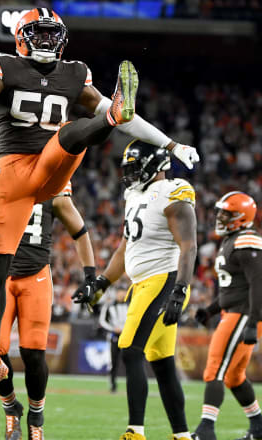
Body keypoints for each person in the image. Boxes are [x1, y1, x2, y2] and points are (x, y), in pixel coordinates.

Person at [0, 7, 200, 405]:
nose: (48, 41)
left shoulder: (73, 73)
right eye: (39, 33)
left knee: (74, 131)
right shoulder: (4, 64)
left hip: (51, 164)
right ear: (20, 36)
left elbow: (126, 118)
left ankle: (103, 119)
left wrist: (171, 145)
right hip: (13, 172)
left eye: (53, 34)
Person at [73, 140, 197, 440]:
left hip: (164, 280)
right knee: (163, 363)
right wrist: (101, 283)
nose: (128, 174)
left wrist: (180, 289)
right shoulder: (134, 194)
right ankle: (181, 435)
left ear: (154, 166)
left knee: (129, 350)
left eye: (134, 167)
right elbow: (126, 247)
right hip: (143, 283)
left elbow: (188, 245)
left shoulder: (173, 191)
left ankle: (135, 432)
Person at [0, 172, 95, 440]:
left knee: (33, 353)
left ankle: (36, 417)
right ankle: (11, 408)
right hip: (0, 278)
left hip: (35, 275)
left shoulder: (51, 180)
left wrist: (91, 275)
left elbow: (78, 229)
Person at [192, 191, 262, 440]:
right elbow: (233, 289)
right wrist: (211, 310)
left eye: (226, 213)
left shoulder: (247, 240)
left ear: (241, 216)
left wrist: (251, 321)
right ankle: (259, 426)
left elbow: (258, 284)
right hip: (236, 312)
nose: (219, 216)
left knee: (214, 369)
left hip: (244, 315)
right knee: (233, 377)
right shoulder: (232, 240)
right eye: (220, 211)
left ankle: (206, 430)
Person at [99, 288, 129, 393]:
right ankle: (112, 384)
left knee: (130, 361)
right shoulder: (109, 306)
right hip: (114, 336)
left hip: (127, 336)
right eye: (120, 293)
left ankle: (131, 384)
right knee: (113, 361)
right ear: (116, 294)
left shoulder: (130, 304)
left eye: (123, 293)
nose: (122, 295)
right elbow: (102, 321)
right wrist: (113, 329)